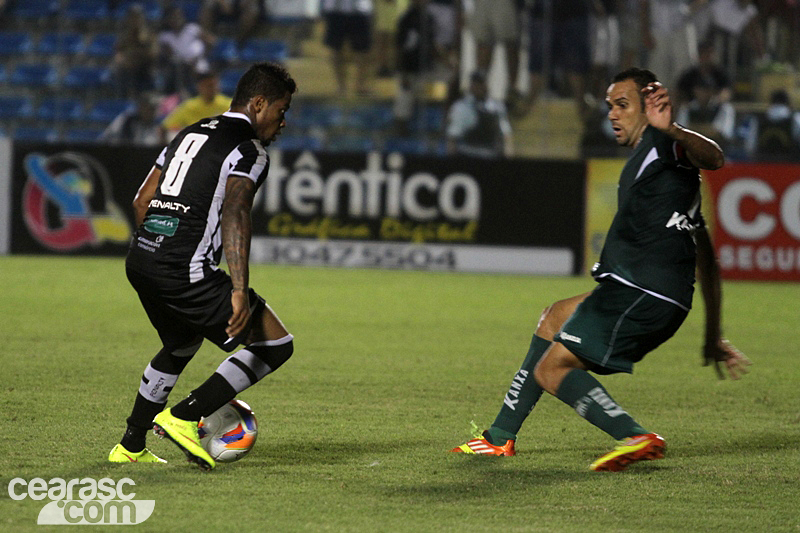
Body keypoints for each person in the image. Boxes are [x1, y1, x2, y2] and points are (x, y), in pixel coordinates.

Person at [451, 67, 751, 471]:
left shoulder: (665, 146)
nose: (612, 114)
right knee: (554, 316)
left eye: (622, 105)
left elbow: (714, 157)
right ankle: (499, 437)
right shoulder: (664, 174)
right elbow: (708, 261)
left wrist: (672, 128)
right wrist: (712, 336)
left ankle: (634, 436)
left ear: (649, 106)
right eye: (610, 105)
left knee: (551, 368)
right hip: (653, 294)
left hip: (640, 293)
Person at [108, 62, 297, 470]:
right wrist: (239, 290)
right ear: (259, 103)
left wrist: (158, 249)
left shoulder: (188, 132)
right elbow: (235, 212)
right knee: (276, 344)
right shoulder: (250, 151)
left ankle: (130, 445)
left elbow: (143, 200)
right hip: (182, 270)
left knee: (181, 343)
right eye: (281, 111)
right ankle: (184, 417)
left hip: (141, 260)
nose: (283, 122)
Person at [445, 71, 513, 158]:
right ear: (471, 86)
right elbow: (452, 138)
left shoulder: (497, 107)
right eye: (476, 84)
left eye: (481, 83)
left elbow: (506, 136)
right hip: (468, 155)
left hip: (491, 155)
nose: (479, 87)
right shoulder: (461, 108)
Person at [160, 68, 232, 142]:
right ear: (200, 87)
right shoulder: (189, 107)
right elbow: (164, 127)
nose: (212, 89)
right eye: (208, 86)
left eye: (214, 85)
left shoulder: (228, 105)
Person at [321, 0, 375, 96]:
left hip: (360, 9)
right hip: (336, 9)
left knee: (363, 50)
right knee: (336, 48)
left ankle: (360, 85)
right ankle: (341, 86)